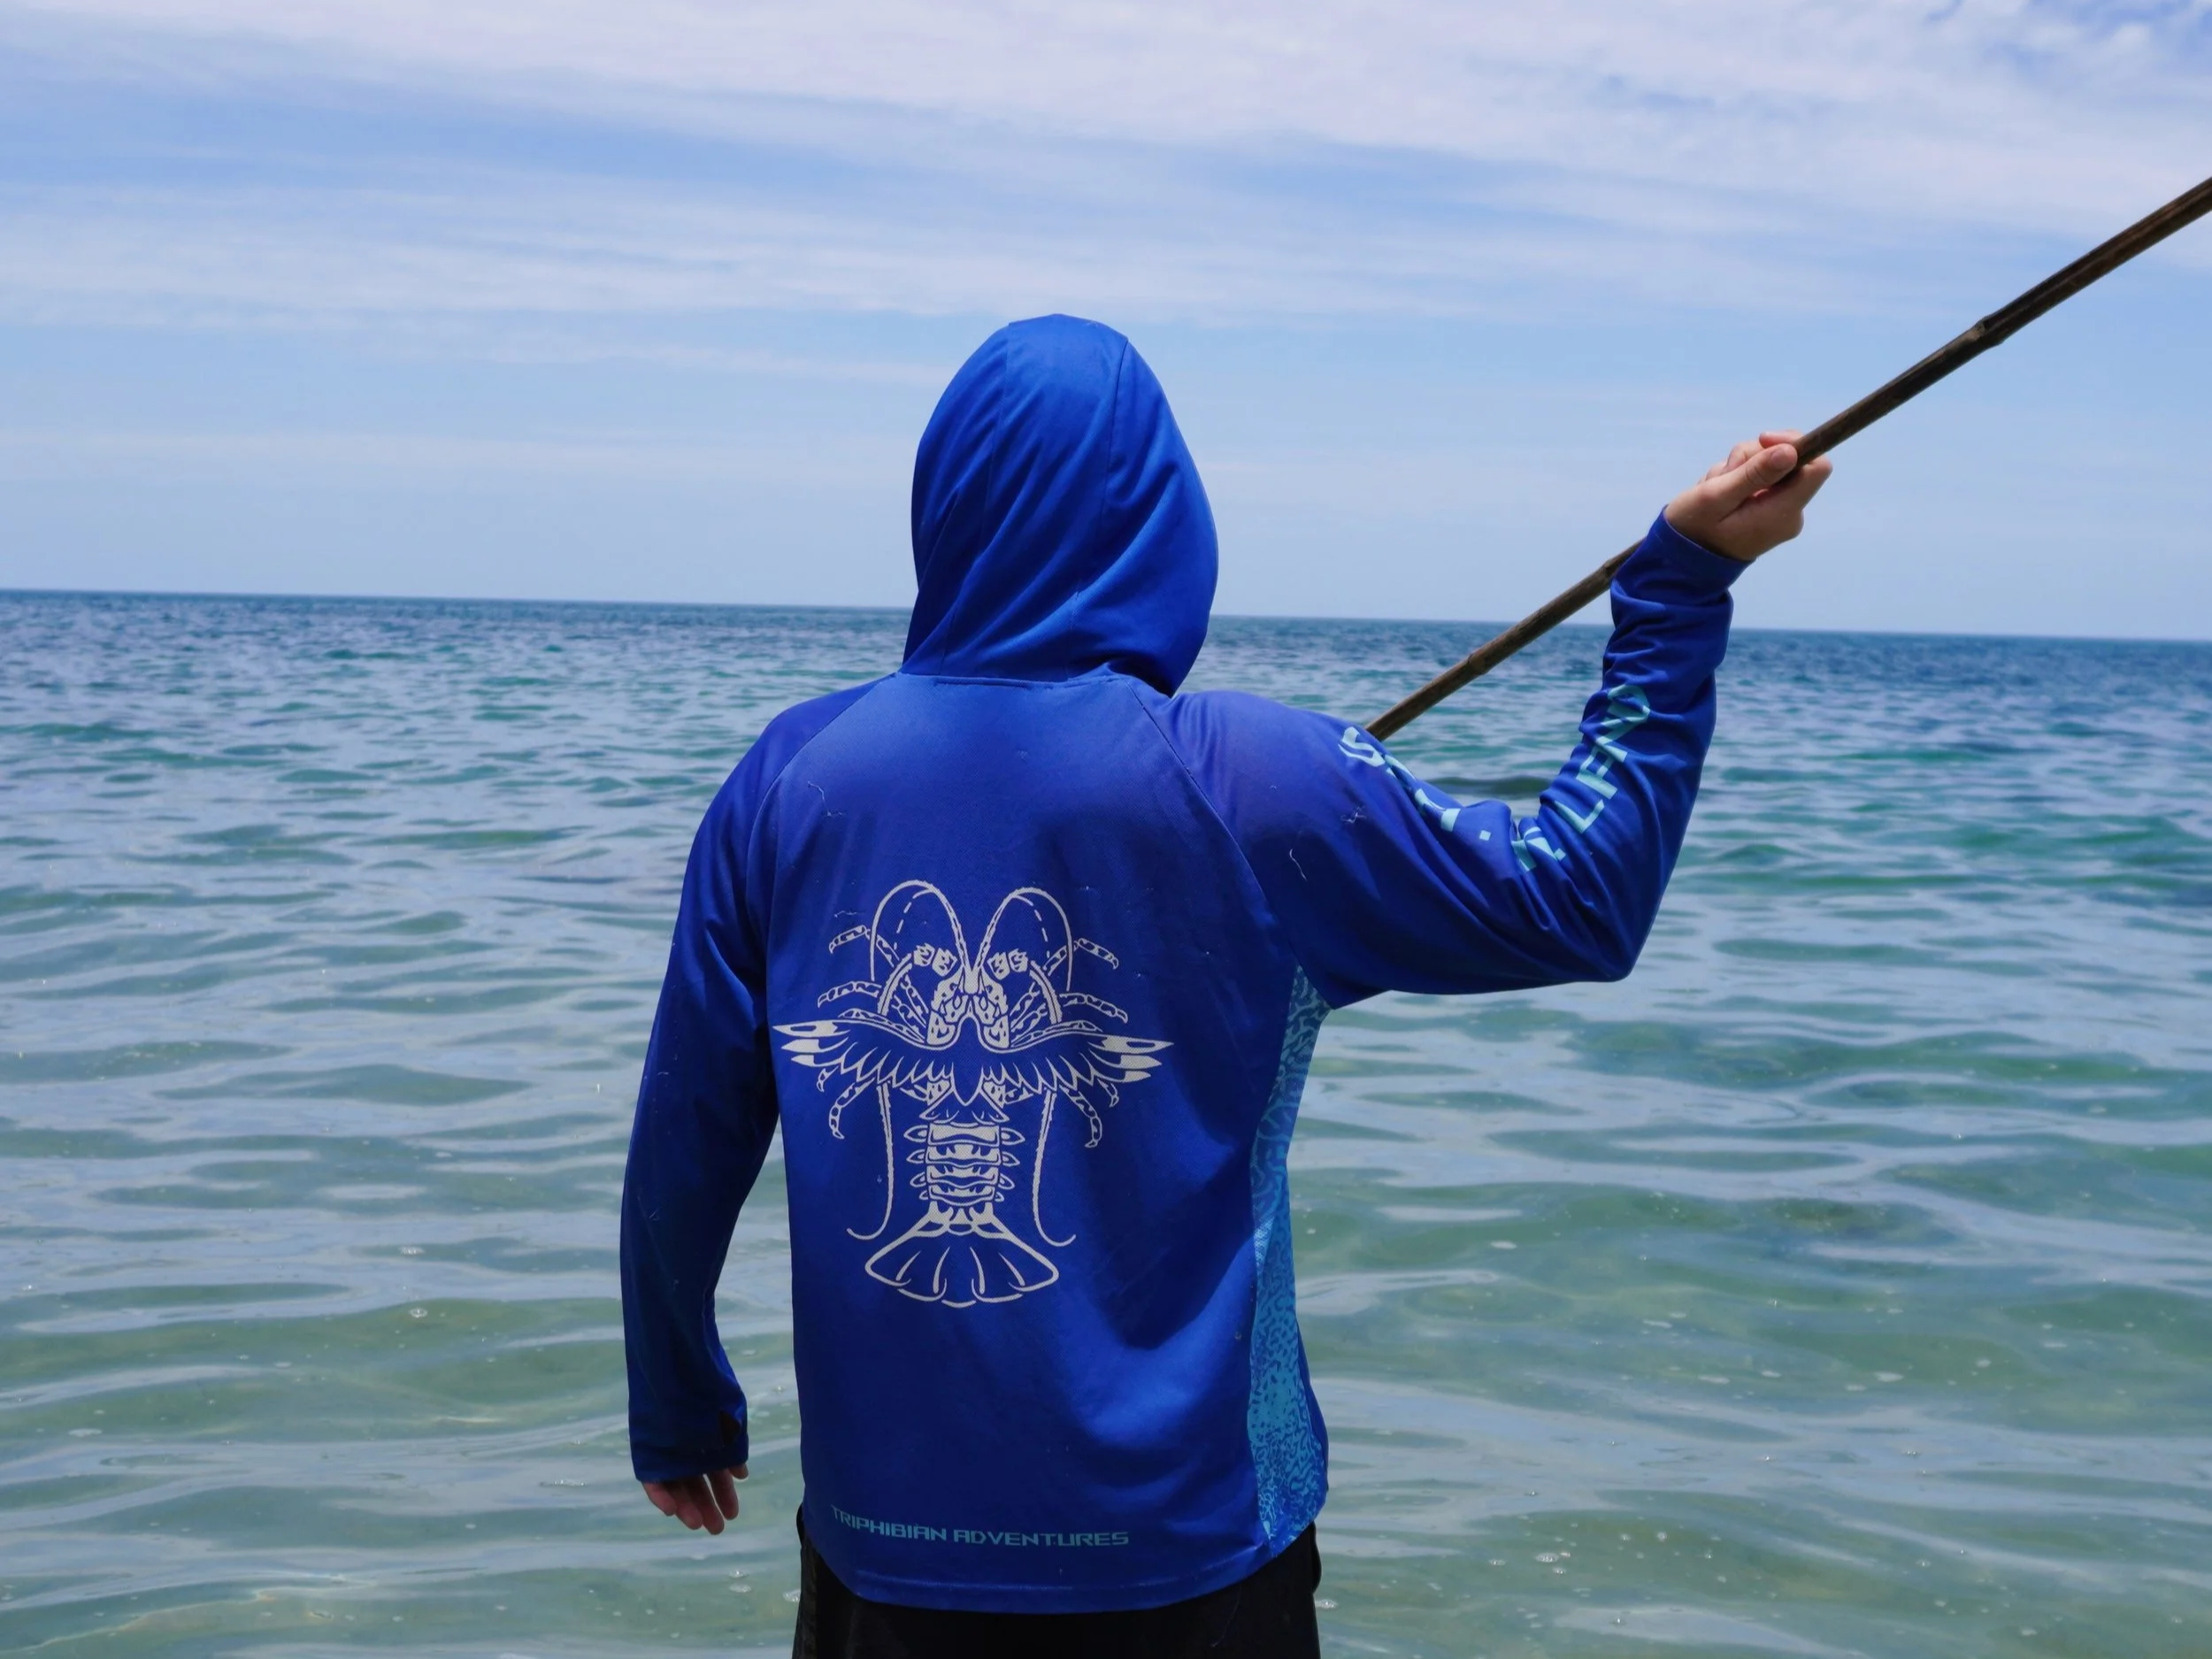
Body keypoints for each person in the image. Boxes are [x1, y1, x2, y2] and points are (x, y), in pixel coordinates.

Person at [620, 313, 1831, 1658]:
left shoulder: (787, 774)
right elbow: (1579, 897)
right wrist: (1679, 592)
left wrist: (673, 1395)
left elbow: (688, 1130)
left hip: (883, 1553)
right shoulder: (1249, 774)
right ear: (1164, 520)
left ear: (943, 511)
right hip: (1192, 1554)